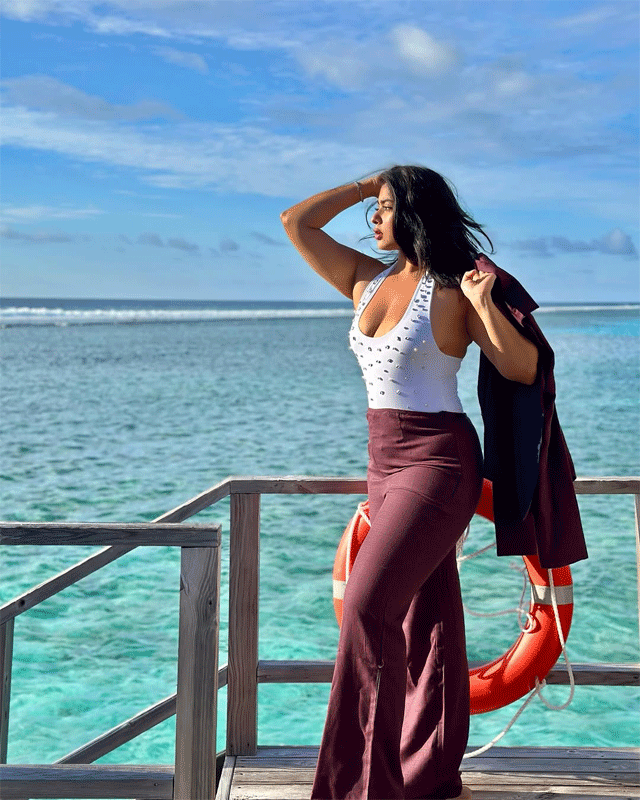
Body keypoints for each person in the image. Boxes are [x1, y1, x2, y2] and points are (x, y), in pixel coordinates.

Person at [280, 166, 540, 800]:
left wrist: (484, 305)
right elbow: (296, 222)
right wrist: (370, 183)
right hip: (383, 464)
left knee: (367, 611)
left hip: (439, 464)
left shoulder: (454, 289)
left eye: (387, 207)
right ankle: (432, 776)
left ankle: (363, 790)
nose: (373, 218)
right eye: (373, 207)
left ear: (417, 214)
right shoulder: (364, 280)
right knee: (429, 621)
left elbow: (523, 368)